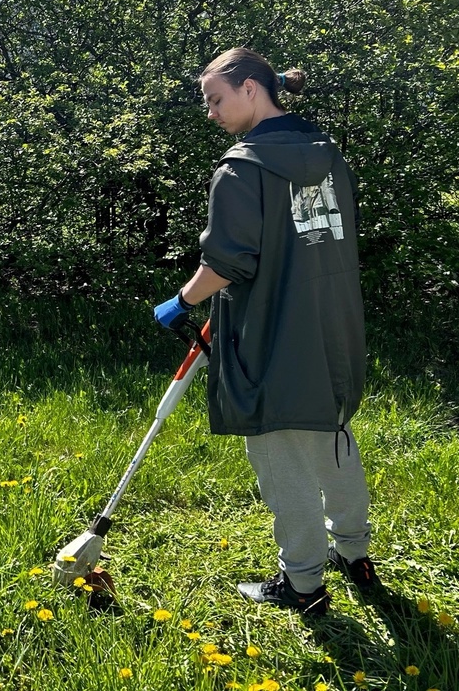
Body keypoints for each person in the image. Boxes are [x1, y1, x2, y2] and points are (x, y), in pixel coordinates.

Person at [153, 47, 378, 616]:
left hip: (275, 334)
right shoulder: (326, 151)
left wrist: (180, 302)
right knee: (332, 436)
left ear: (251, 88)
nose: (212, 113)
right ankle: (356, 555)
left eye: (216, 100)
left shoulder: (242, 167)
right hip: (333, 328)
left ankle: (303, 585)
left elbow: (227, 263)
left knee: (282, 455)